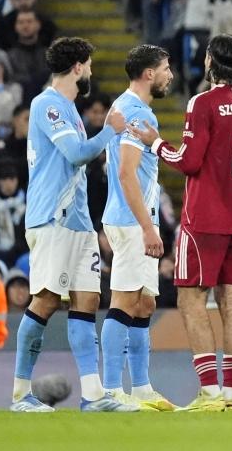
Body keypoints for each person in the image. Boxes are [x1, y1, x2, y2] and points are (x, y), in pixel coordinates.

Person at [129, 34, 232, 412]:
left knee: (192, 298)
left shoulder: (203, 102)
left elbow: (188, 161)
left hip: (205, 218)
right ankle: (231, 396)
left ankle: (209, 392)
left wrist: (156, 143)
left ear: (210, 60)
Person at [10, 36, 134, 412]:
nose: (91, 71)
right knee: (47, 299)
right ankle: (20, 394)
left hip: (78, 223)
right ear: (78, 67)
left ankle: (93, 396)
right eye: (89, 65)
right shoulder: (47, 104)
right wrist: (110, 130)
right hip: (52, 218)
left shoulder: (69, 109)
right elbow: (76, 154)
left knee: (87, 300)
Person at [100, 45, 175, 411]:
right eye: (165, 68)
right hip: (132, 221)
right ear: (149, 74)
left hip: (135, 218)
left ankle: (142, 388)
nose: (170, 75)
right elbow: (125, 173)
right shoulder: (136, 111)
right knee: (125, 300)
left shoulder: (126, 106)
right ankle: (112, 390)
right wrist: (147, 227)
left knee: (145, 302)